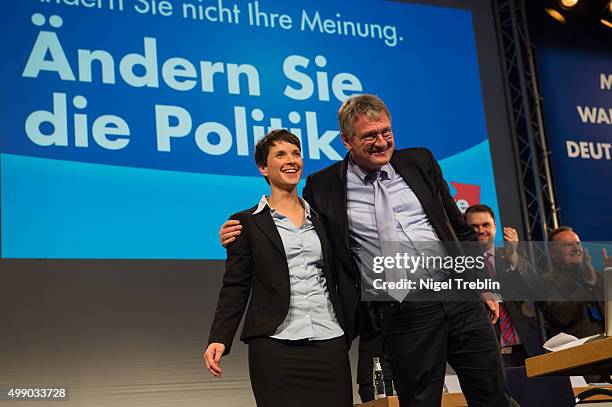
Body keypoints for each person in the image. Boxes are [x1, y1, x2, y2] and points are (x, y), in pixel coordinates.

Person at [221, 94, 512, 406]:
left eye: (386, 132)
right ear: (346, 140)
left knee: (493, 396)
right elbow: (295, 229)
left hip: (460, 298)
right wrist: (242, 231)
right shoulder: (323, 187)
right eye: (370, 135)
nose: (381, 142)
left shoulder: (420, 162)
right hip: (405, 312)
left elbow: (460, 227)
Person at [204, 130, 352, 407]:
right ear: (263, 167)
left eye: (296, 153)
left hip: (328, 340)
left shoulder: (323, 218)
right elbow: (235, 286)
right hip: (275, 347)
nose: (291, 160)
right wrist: (220, 338)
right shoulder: (246, 222)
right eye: (280, 154)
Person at [465, 204, 544, 367]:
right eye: (474, 226)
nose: (480, 230)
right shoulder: (460, 263)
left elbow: (535, 288)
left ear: (495, 227)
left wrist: (514, 257)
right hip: (485, 349)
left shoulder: (510, 254)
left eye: (485, 225)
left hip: (524, 346)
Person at [540, 227, 607, 339]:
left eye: (578, 244)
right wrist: (588, 286)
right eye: (567, 245)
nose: (576, 249)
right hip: (576, 351)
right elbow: (560, 316)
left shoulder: (596, 275)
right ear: (552, 253)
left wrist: (609, 275)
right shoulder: (545, 282)